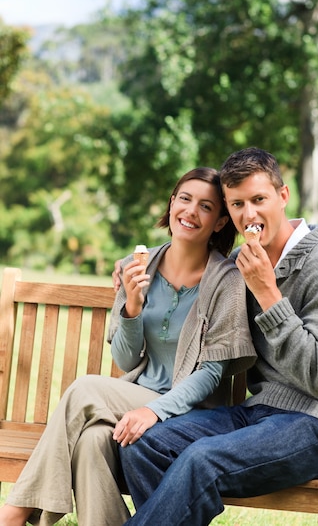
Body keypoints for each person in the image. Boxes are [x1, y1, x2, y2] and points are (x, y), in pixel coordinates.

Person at [118, 147, 318, 526]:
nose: (248, 215)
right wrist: (134, 302)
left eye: (258, 200)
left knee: (203, 460)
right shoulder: (244, 264)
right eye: (236, 204)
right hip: (259, 413)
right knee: (145, 444)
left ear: (282, 197)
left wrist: (269, 295)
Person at [0, 167, 256, 526]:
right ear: (170, 205)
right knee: (91, 440)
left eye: (206, 206)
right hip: (135, 398)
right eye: (184, 199)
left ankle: (14, 513)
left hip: (191, 412)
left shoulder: (226, 282)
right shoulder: (138, 265)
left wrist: (155, 411)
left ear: (218, 222)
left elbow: (212, 375)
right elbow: (124, 358)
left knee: (86, 387)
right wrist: (132, 308)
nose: (191, 211)